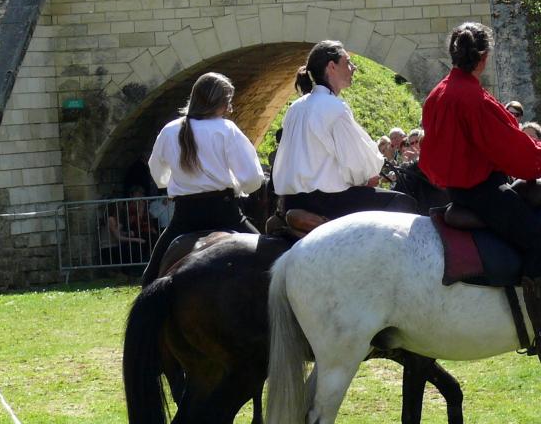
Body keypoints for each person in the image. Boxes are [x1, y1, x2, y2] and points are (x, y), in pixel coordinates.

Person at [419, 22, 541, 367]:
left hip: (455, 190)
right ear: (483, 58)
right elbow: (513, 150)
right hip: (484, 191)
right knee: (538, 242)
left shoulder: (437, 93)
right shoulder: (474, 98)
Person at [140, 72, 265, 284]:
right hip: (225, 213)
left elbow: (157, 173)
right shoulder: (226, 129)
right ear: (217, 102)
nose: (229, 109)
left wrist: (175, 183)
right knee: (268, 263)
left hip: (184, 217)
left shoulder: (170, 130)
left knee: (150, 278)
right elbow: (252, 178)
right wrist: (241, 187)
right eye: (228, 103)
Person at [273, 40, 417, 220]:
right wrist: (368, 176)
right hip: (326, 202)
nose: (353, 67)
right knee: (403, 202)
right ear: (332, 67)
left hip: (290, 201)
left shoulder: (295, 108)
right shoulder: (334, 107)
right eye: (348, 62)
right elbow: (357, 162)